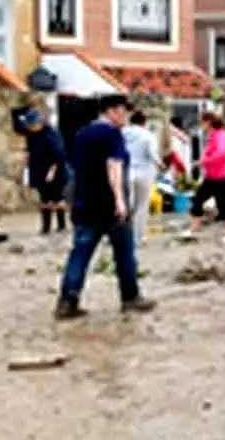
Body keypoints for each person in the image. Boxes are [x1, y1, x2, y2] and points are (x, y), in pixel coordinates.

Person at [56, 94, 155, 319]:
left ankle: (67, 301)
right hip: (109, 207)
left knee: (80, 254)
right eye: (124, 110)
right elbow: (114, 166)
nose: (127, 115)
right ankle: (130, 297)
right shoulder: (112, 134)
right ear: (112, 111)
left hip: (84, 203)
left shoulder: (82, 134)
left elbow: (74, 168)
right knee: (124, 253)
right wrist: (119, 200)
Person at [184, 111, 225, 244]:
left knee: (222, 204)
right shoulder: (213, 136)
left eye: (202, 122)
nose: (201, 125)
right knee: (198, 198)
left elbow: (220, 154)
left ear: (208, 122)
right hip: (212, 176)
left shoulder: (221, 136)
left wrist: (203, 161)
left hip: (222, 176)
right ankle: (194, 228)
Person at [23, 108, 68, 234]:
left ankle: (61, 225)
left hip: (54, 172)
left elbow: (59, 154)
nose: (30, 127)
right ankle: (46, 226)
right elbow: (30, 151)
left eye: (31, 125)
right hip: (38, 171)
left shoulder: (50, 135)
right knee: (44, 199)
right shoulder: (32, 136)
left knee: (57, 198)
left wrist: (52, 171)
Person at [122, 109, 160, 243]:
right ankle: (138, 236)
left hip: (125, 172)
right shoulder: (148, 135)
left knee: (126, 204)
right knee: (142, 206)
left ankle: (122, 234)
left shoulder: (122, 133)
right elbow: (153, 154)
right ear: (144, 122)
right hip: (144, 173)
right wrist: (160, 164)